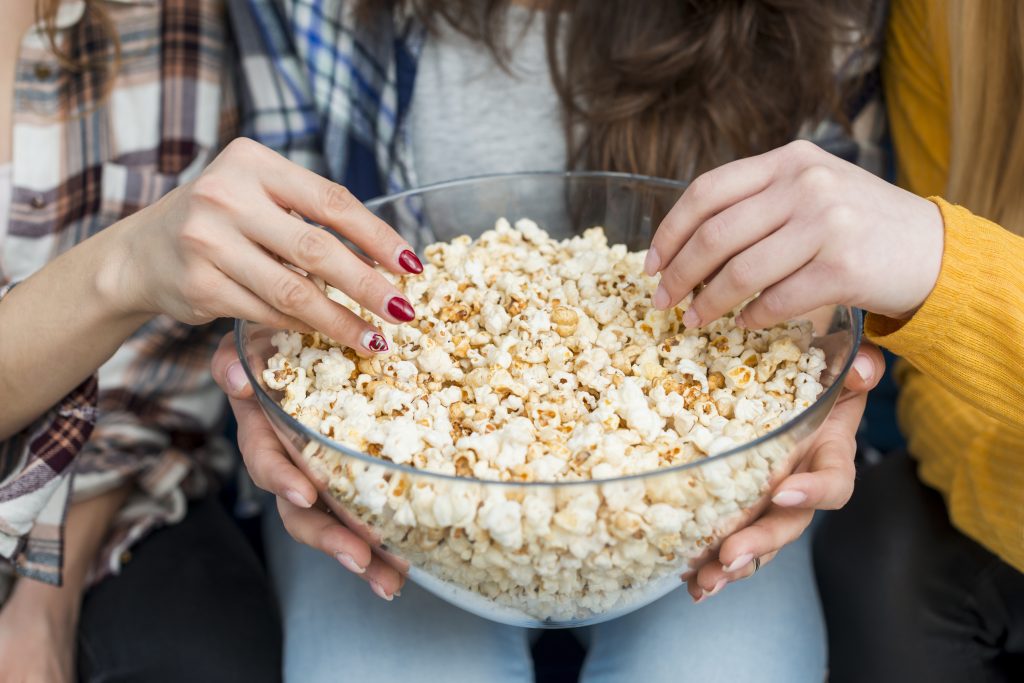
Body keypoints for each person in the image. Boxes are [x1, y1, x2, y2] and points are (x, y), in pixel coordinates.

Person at [211, 1, 886, 680]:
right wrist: (277, 371)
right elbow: (281, 256)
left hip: (705, 488)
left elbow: (825, 247)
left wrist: (807, 396)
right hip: (389, 491)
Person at [0, 0, 420, 679]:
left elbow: (150, 382)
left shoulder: (190, 24)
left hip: (106, 493)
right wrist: (124, 266)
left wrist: (48, 594)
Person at [647, 0, 1024, 679]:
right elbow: (941, 390)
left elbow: (919, 271)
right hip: (1000, 488)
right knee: (877, 548)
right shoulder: (951, 16)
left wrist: (939, 264)